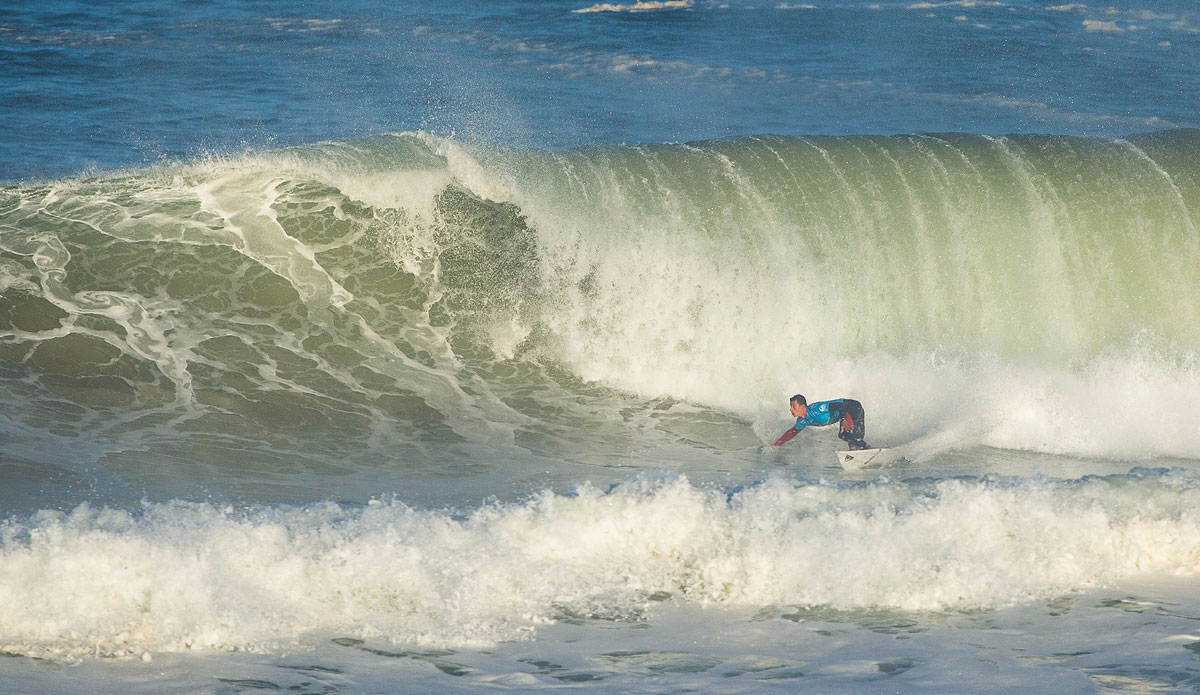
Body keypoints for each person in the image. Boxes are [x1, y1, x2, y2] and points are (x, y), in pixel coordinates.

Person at [769, 394, 870, 451]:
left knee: (847, 434)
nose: (791, 409)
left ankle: (869, 449)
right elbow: (792, 432)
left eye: (793, 406)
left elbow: (840, 406)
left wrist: (843, 419)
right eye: (790, 406)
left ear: (802, 407)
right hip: (845, 413)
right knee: (852, 441)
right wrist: (776, 444)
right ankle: (861, 454)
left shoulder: (817, 409)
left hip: (851, 407)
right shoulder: (802, 421)